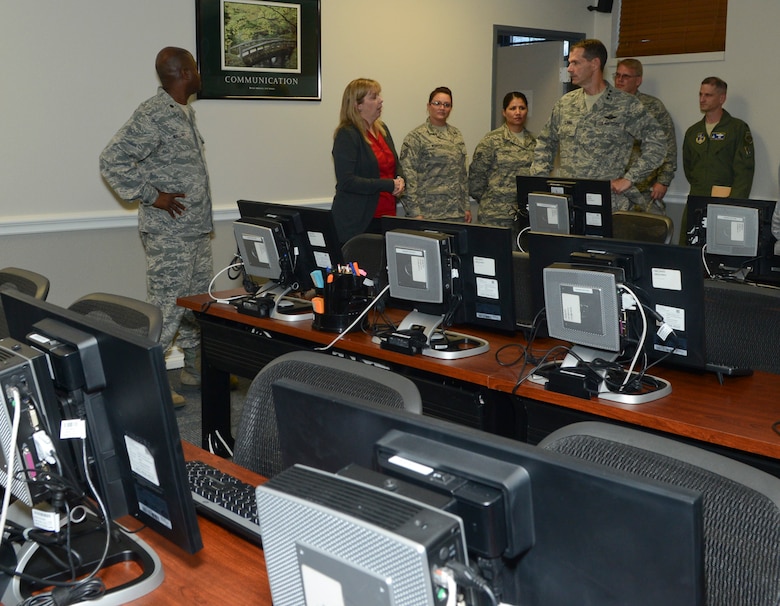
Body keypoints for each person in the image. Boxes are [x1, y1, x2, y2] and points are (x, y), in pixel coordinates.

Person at [100, 47, 212, 407]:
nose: (199, 72)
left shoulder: (184, 113)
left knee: (198, 305)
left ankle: (195, 369)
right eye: (195, 67)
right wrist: (151, 195)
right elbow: (112, 159)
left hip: (194, 229)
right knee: (165, 309)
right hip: (169, 234)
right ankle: (150, 382)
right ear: (183, 73)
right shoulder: (154, 114)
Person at [530, 39, 666, 212]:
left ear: (594, 64)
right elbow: (545, 143)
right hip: (569, 202)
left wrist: (629, 179)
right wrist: (540, 184)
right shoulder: (566, 104)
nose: (569, 69)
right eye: (569, 63)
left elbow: (658, 144)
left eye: (575, 63)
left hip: (609, 204)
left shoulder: (625, 104)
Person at [680, 77, 755, 244]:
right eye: (700, 94)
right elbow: (689, 168)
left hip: (725, 203)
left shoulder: (737, 129)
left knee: (722, 251)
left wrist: (733, 205)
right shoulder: (693, 132)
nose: (702, 99)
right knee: (690, 250)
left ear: (722, 98)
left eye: (708, 95)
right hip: (697, 201)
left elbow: (744, 173)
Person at [331, 78, 405, 243]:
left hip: (387, 217)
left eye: (379, 95)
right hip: (359, 221)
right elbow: (347, 181)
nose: (381, 100)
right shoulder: (347, 134)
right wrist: (388, 185)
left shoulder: (382, 129)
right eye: (374, 97)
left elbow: (394, 164)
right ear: (358, 105)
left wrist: (400, 179)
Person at [613, 58, 677, 214]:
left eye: (626, 76)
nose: (620, 80)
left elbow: (668, 145)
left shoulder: (653, 107)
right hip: (613, 189)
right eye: (617, 75)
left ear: (638, 81)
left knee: (645, 234)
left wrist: (663, 181)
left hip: (644, 190)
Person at [399, 87, 471, 222]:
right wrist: (415, 213)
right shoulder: (416, 137)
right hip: (429, 213)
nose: (442, 108)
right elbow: (409, 177)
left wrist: (466, 206)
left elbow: (462, 174)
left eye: (447, 105)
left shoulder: (456, 135)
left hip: (456, 213)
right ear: (428, 106)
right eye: (437, 103)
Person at [468, 91, 536, 229]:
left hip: (524, 216)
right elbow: (476, 179)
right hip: (495, 215)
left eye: (522, 108)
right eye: (512, 108)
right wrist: (493, 199)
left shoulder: (534, 142)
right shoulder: (491, 140)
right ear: (504, 112)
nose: (518, 112)